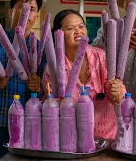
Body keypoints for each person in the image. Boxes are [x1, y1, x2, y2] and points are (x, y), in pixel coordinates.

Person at [0, 0, 46, 161]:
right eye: (22, 7)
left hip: (31, 123)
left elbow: (47, 90)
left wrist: (38, 87)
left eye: (32, 9)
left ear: (36, 16)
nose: (27, 13)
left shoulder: (41, 49)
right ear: (11, 12)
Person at [42, 9, 125, 140]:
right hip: (70, 138)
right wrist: (59, 104)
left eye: (81, 26)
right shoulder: (53, 67)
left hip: (106, 138)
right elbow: (49, 104)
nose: (78, 31)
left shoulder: (101, 57)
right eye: (70, 28)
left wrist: (117, 92)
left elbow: (119, 98)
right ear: (58, 34)